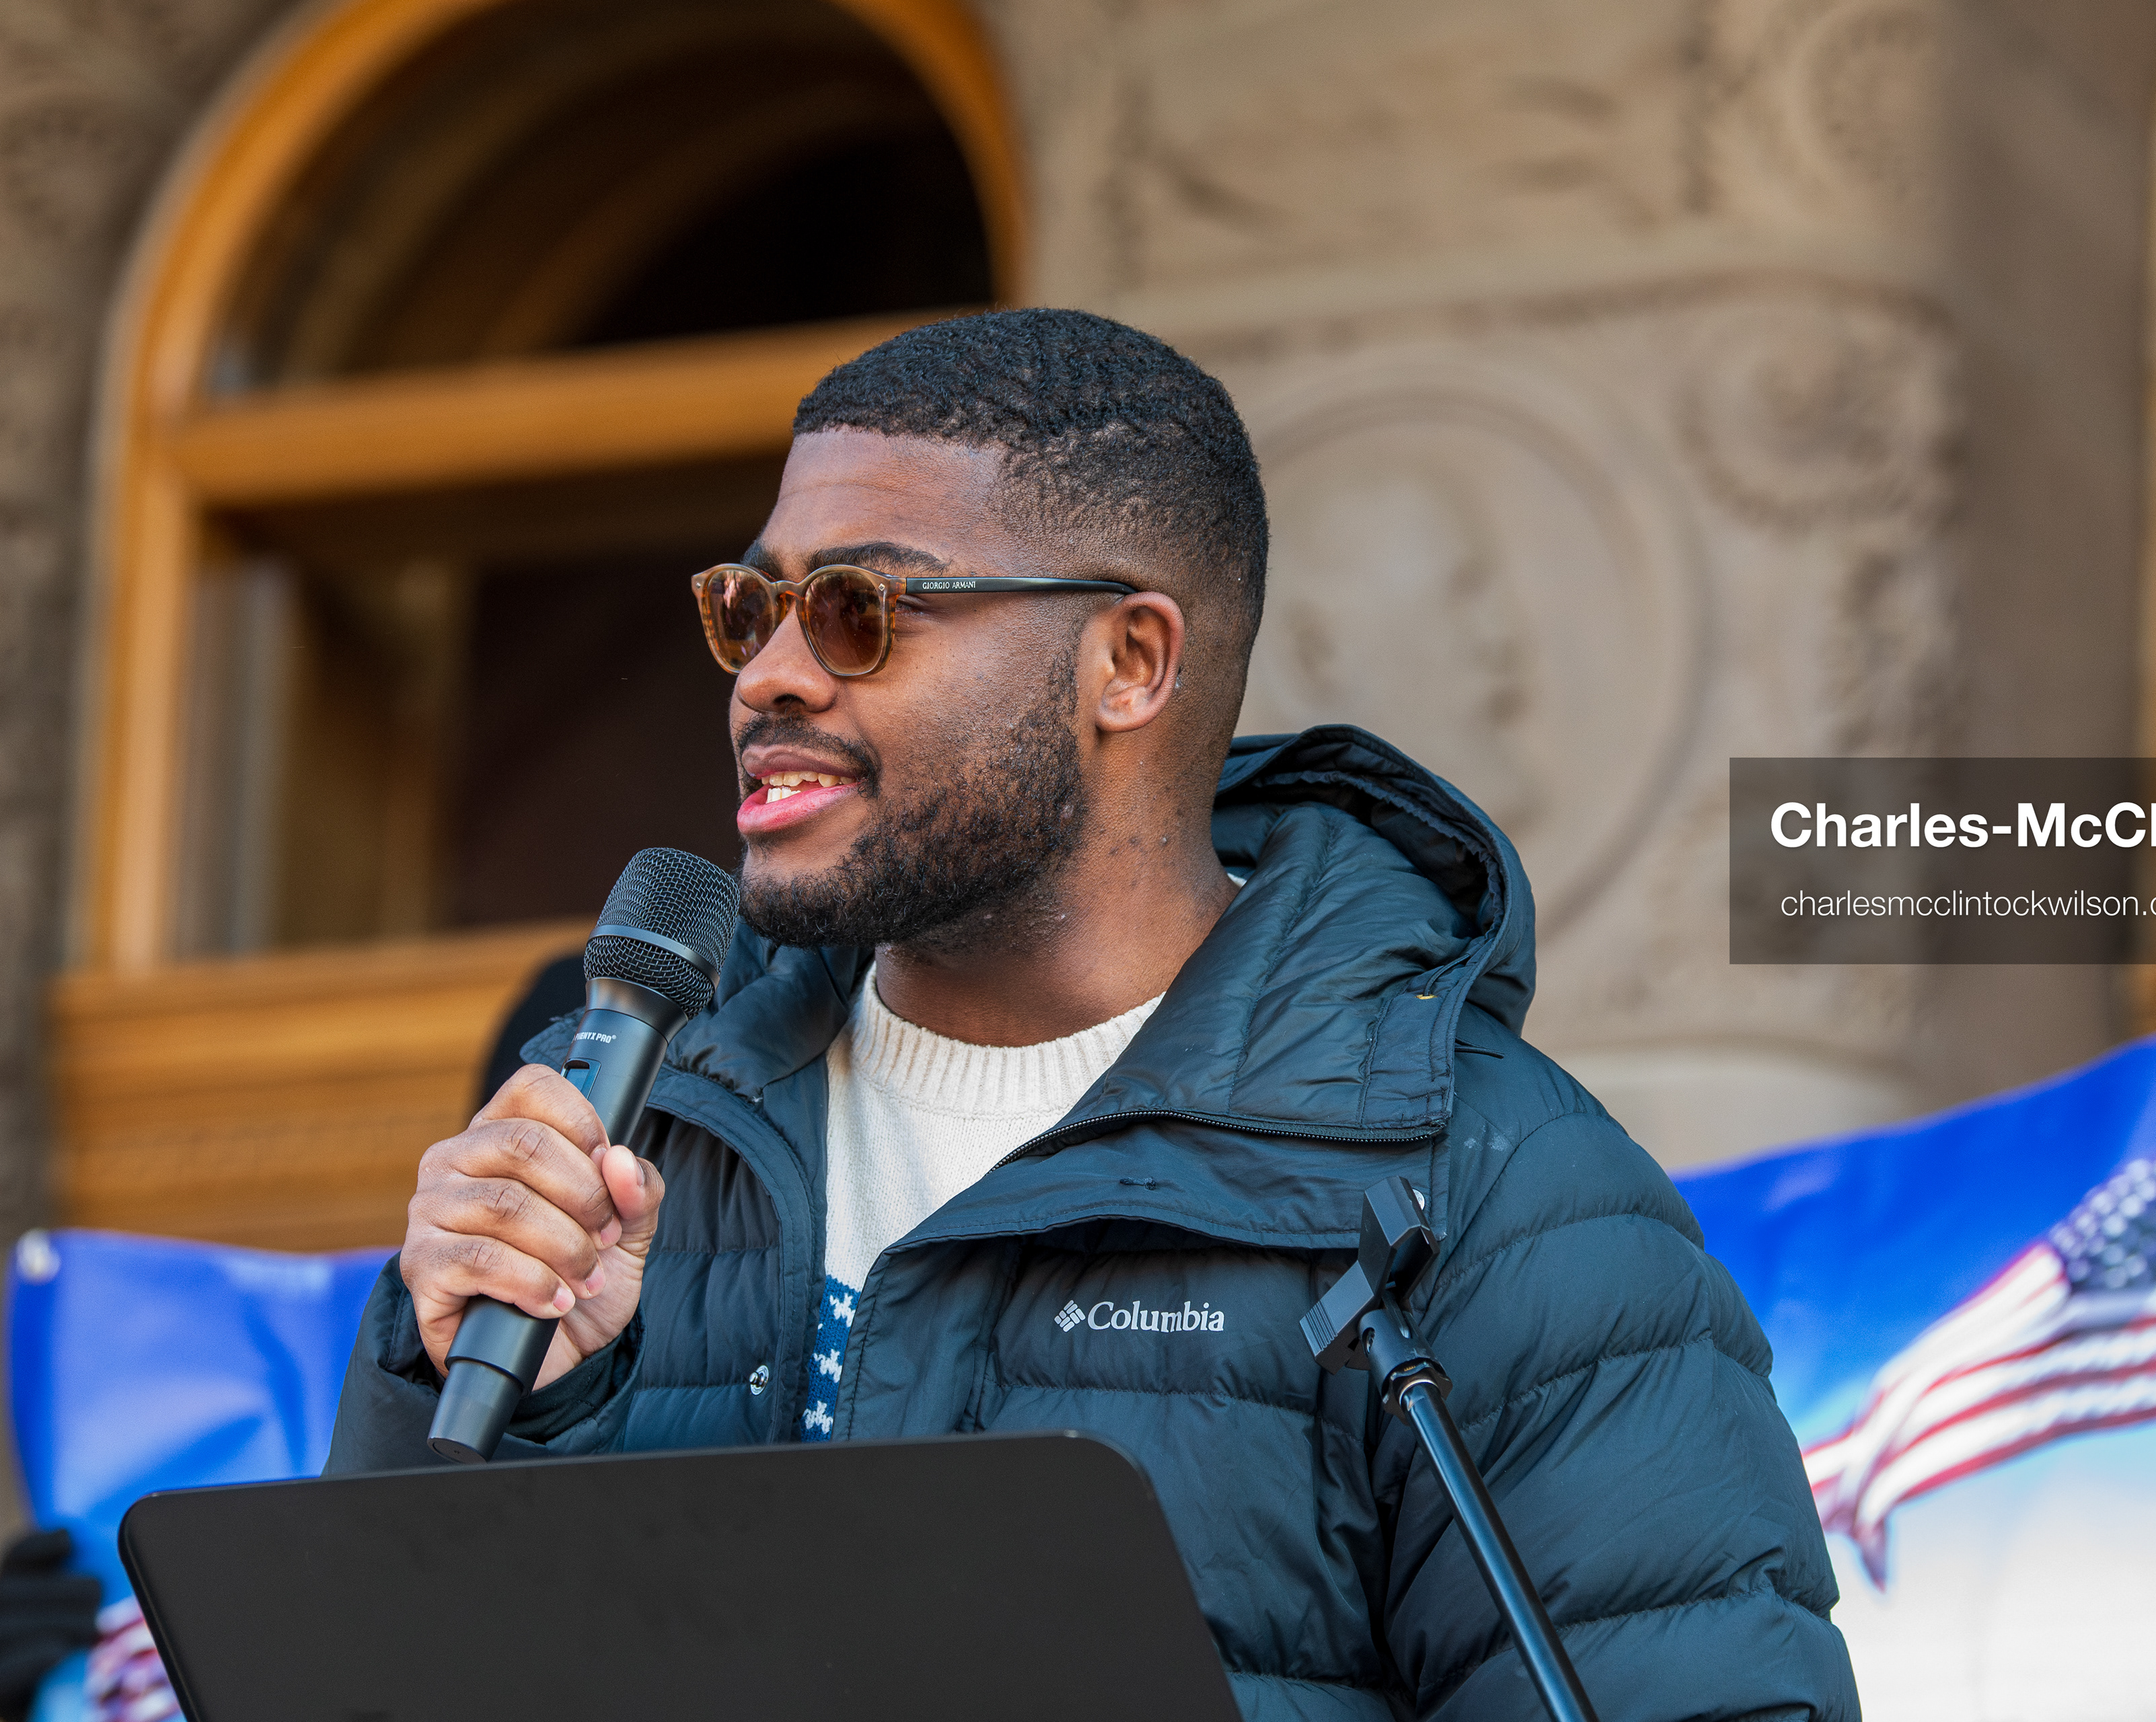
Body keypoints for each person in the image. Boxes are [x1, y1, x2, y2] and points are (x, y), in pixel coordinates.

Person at [326, 309, 1857, 1718]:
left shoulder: (1497, 1200)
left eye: (858, 608)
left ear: (1128, 661)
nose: (771, 675)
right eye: (750, 607)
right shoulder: (619, 1119)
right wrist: (485, 1397)